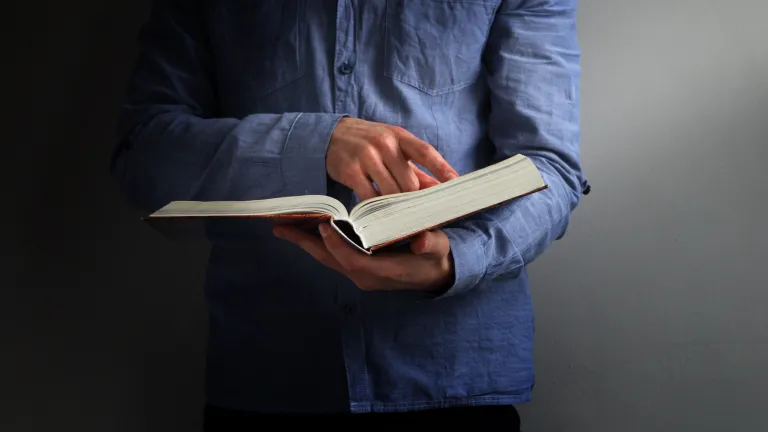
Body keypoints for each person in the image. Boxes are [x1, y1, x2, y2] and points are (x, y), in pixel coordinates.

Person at [112, 0, 589, 428]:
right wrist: (312, 143)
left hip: (456, 380)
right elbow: (146, 155)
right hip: (266, 377)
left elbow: (550, 168)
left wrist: (456, 259)